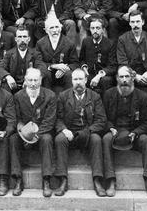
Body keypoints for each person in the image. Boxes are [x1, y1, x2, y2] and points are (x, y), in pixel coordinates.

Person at [102, 66, 147, 198]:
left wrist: (136, 133)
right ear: (116, 79)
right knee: (106, 139)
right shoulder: (109, 94)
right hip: (115, 131)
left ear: (132, 78)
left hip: (134, 133)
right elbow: (102, 118)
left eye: (127, 77)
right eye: (121, 77)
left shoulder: (141, 96)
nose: (124, 80)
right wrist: (110, 127)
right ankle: (111, 180)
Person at [54, 68, 107, 197]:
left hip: (88, 133)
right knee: (59, 139)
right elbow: (57, 119)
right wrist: (64, 130)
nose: (78, 82)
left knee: (96, 139)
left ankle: (97, 180)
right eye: (75, 79)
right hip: (70, 133)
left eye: (80, 79)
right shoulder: (63, 96)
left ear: (86, 80)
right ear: (71, 81)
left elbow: (101, 120)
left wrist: (87, 131)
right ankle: (62, 180)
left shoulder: (95, 97)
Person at [9, 67, 57, 197]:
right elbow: (17, 118)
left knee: (47, 139)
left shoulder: (50, 96)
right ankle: (18, 179)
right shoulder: (18, 96)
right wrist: (24, 134)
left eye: (36, 80)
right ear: (25, 80)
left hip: (42, 131)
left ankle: (46, 180)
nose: (33, 83)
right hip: (23, 132)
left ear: (41, 80)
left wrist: (33, 137)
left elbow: (49, 120)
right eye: (30, 80)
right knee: (13, 139)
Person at [117, 10, 147, 106]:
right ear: (129, 23)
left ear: (143, 22)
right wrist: (134, 75)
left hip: (146, 75)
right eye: (133, 22)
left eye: (138, 21)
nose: (135, 25)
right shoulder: (122, 39)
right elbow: (122, 63)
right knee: (122, 79)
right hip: (131, 76)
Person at [0, 27, 46, 93]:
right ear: (16, 39)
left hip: (29, 86)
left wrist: (30, 79)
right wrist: (8, 76)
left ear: (29, 39)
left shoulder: (35, 54)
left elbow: (42, 68)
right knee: (5, 87)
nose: (22, 40)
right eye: (20, 37)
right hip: (13, 86)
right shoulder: (9, 54)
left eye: (24, 37)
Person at [35, 16, 79, 91]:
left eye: (57, 27)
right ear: (46, 30)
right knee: (45, 73)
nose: (55, 30)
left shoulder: (69, 43)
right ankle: (47, 99)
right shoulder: (40, 43)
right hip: (49, 74)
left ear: (61, 28)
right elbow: (38, 62)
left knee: (70, 74)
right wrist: (53, 66)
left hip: (64, 75)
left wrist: (64, 69)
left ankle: (68, 99)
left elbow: (75, 63)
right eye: (51, 28)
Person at [79, 18, 116, 95]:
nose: (95, 31)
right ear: (89, 29)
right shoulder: (86, 41)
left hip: (104, 75)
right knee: (82, 79)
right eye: (92, 28)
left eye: (98, 28)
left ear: (103, 30)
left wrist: (99, 75)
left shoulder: (110, 44)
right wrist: (84, 67)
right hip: (90, 73)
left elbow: (113, 66)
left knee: (105, 81)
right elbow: (81, 59)